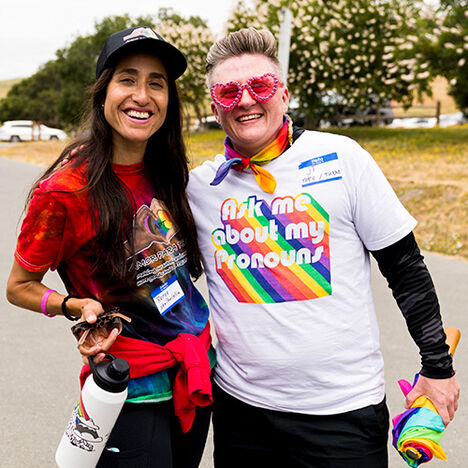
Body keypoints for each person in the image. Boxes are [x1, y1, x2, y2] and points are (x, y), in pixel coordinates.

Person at [186, 28, 460, 467]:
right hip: (243, 415)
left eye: (260, 85)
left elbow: (406, 269)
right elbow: (159, 273)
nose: (245, 100)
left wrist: (438, 369)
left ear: (285, 95)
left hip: (343, 415)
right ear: (216, 106)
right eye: (228, 90)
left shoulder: (342, 158)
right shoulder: (200, 189)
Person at [6, 26, 215, 468]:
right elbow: (19, 285)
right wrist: (73, 305)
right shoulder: (64, 191)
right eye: (127, 79)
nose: (142, 94)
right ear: (103, 92)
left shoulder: (168, 170)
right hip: (127, 389)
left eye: (156, 83)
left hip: (193, 369)